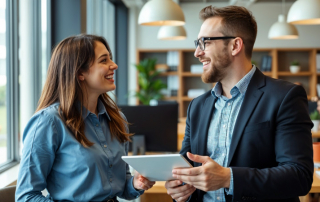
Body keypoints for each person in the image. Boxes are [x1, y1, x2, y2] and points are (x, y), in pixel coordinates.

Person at [165, 5, 313, 202]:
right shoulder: (197, 106)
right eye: (197, 43)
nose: (197, 53)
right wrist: (178, 187)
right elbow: (184, 168)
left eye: (204, 42)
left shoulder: (285, 96)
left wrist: (229, 178)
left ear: (235, 46)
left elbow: (299, 176)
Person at [15, 34, 155, 202]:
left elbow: (120, 185)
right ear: (80, 72)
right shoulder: (49, 122)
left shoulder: (116, 120)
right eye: (104, 60)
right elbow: (26, 196)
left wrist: (135, 184)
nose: (114, 65)